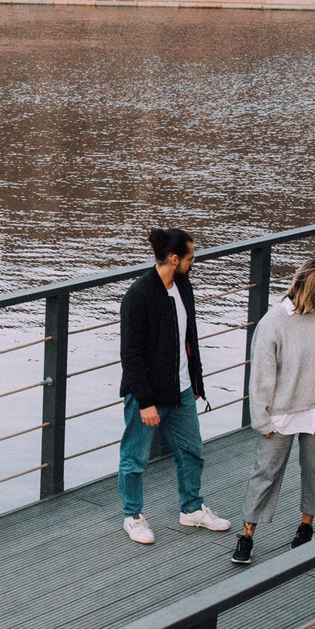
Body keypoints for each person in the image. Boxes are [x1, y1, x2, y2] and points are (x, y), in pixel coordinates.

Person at [232, 261, 315, 566]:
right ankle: (246, 535)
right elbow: (261, 374)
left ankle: (306, 526)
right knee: (266, 472)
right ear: (314, 289)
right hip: (282, 412)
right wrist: (260, 416)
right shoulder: (274, 322)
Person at [119, 228, 231, 544]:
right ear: (173, 258)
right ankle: (133, 516)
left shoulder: (183, 287)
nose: (193, 263)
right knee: (134, 458)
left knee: (192, 452)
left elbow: (188, 340)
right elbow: (131, 354)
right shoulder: (139, 296)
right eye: (190, 258)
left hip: (181, 390)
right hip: (149, 395)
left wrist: (195, 382)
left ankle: (192, 509)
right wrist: (144, 402)